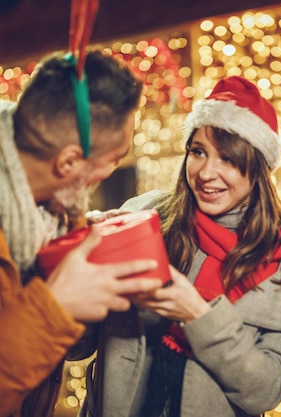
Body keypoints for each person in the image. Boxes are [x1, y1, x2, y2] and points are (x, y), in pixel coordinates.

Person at [72, 75, 281, 417]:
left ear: (259, 166)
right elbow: (78, 346)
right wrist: (77, 270)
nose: (206, 172)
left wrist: (199, 316)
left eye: (228, 159)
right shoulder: (145, 216)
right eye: (198, 152)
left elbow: (265, 391)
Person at [0, 50, 164, 417]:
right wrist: (54, 308)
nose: (111, 170)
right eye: (114, 158)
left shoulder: (54, 215)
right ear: (69, 161)